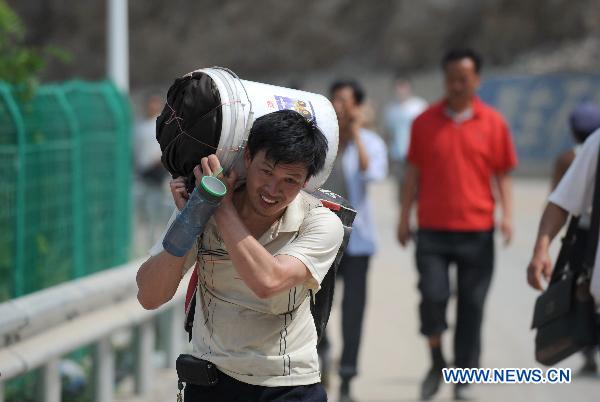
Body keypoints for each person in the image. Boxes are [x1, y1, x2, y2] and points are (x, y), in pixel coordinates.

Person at [136, 109, 344, 402]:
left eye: (290, 181)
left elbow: (268, 281)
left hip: (287, 386)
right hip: (211, 383)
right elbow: (149, 296)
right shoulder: (201, 207)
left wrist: (220, 208)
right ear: (248, 157)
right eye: (267, 171)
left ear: (307, 181)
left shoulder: (321, 223)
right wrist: (191, 220)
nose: (273, 190)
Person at [397, 49, 517, 400]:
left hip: (478, 231)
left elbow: (504, 174)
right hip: (432, 231)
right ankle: (437, 358)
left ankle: (463, 378)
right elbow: (412, 173)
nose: (456, 84)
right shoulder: (424, 122)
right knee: (433, 297)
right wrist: (405, 216)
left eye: (464, 77)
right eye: (451, 77)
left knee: (472, 306)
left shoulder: (494, 123)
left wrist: (507, 216)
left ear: (477, 79)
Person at [319, 80, 388, 402]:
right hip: (320, 238)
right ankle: (323, 350)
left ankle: (347, 375)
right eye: (335, 99)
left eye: (345, 100)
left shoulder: (370, 142)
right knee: (316, 304)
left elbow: (370, 173)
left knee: (353, 311)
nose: (339, 105)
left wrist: (357, 132)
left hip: (357, 242)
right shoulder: (322, 141)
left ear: (358, 106)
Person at [536, 102, 600, 375]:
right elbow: (561, 201)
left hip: (585, 237)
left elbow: (556, 196)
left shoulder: (568, 156)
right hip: (588, 238)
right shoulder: (597, 145)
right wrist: (541, 247)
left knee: (581, 292)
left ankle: (588, 350)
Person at [134, 95, 171, 253]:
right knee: (146, 210)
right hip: (143, 173)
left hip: (159, 173)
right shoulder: (139, 126)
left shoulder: (161, 124)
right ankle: (150, 243)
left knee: (160, 208)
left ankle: (160, 242)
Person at [383, 75, 427, 197]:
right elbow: (388, 134)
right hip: (398, 158)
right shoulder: (390, 110)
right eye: (398, 87)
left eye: (403, 86)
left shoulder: (420, 106)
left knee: (419, 191)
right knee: (402, 192)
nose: (400, 90)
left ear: (409, 87)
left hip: (417, 157)